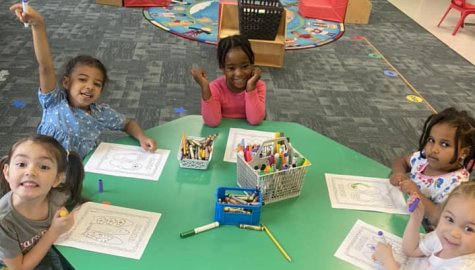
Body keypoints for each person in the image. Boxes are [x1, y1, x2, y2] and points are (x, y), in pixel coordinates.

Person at [10, 3, 157, 158]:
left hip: (77, 172)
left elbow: (127, 123)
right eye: (82, 79)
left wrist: (142, 137)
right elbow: (45, 66)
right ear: (66, 82)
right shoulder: (54, 101)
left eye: (97, 84)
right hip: (45, 168)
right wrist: (38, 25)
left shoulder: (101, 114)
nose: (90, 87)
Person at [0, 135, 85, 270]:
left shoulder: (57, 197)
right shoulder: (3, 222)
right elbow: (19, 268)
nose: (30, 172)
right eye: (21, 164)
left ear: (57, 179)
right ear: (7, 172)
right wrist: (53, 232)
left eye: (44, 167)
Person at [389, 107, 475, 226]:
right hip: (400, 215)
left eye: (444, 144)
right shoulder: (424, 159)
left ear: (463, 152)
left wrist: (416, 193)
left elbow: (439, 218)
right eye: (431, 140)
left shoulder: (458, 185)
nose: (434, 149)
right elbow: (401, 161)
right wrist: (398, 173)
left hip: (422, 232)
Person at [373, 183, 475, 269]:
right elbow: (411, 250)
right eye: (450, 219)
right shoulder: (444, 238)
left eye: (469, 229)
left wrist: (388, 261)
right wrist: (416, 218)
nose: (453, 233)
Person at [191, 35, 266, 127]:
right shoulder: (215, 88)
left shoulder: (258, 85)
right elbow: (212, 122)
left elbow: (255, 120)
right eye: (231, 68)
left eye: (245, 66)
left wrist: (251, 88)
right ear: (222, 67)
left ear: (252, 63)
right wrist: (205, 86)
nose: (239, 73)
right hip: (224, 132)